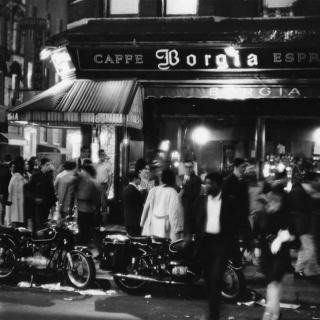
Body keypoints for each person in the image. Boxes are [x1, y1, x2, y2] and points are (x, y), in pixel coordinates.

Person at [185, 172, 251, 320]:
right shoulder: (201, 200)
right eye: (206, 183)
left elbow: (242, 221)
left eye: (210, 183)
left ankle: (214, 314)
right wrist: (188, 233)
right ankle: (214, 306)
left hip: (221, 245)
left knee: (216, 278)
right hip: (205, 244)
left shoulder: (229, 201)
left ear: (218, 185)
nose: (206, 186)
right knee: (208, 279)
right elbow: (189, 216)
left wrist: (248, 241)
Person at [253, 187, 295, 320]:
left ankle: (269, 313)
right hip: (266, 253)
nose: (271, 205)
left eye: (275, 202)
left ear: (279, 202)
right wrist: (257, 248)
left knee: (273, 283)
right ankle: (275, 313)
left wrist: (282, 238)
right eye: (270, 202)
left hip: (280, 254)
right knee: (273, 284)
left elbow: (294, 236)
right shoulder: (261, 215)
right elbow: (257, 233)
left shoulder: (285, 215)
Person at [222, 158, 252, 265]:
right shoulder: (228, 180)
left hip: (242, 216)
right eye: (243, 166)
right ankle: (235, 261)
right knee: (232, 241)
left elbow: (245, 199)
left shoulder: (243, 181)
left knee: (248, 238)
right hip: (232, 218)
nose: (244, 169)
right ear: (236, 167)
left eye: (245, 166)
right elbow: (225, 200)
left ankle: (240, 258)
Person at [140, 168, 183, 241]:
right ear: (173, 179)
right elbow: (174, 213)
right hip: (165, 229)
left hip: (152, 227)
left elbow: (146, 208)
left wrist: (142, 222)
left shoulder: (153, 190)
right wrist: (178, 230)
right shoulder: (172, 192)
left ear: (162, 179)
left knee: (153, 248)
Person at [75, 160, 101, 246]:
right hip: (91, 211)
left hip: (85, 211)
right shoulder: (94, 182)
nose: (81, 173)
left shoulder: (89, 182)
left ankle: (82, 251)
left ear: (86, 172)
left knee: (84, 233)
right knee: (91, 233)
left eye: (83, 171)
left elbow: (85, 196)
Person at [28, 158, 56, 232]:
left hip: (46, 206)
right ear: (42, 165)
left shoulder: (49, 176)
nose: (49, 166)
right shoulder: (35, 176)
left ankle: (43, 240)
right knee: (38, 226)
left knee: (44, 225)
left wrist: (53, 204)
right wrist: (35, 198)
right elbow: (29, 190)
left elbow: (51, 191)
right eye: (47, 165)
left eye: (50, 164)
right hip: (37, 206)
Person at [178, 159, 202, 233]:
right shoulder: (180, 178)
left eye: (190, 167)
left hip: (189, 209)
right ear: (184, 167)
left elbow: (195, 194)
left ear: (193, 167)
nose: (188, 169)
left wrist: (183, 189)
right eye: (186, 167)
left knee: (187, 230)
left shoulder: (197, 179)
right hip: (178, 208)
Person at [5, 156, 27, 226]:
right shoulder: (18, 178)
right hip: (19, 212)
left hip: (16, 213)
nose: (26, 165)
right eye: (25, 164)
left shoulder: (15, 178)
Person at [122, 171, 143, 236]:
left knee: (130, 237)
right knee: (135, 238)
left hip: (127, 218)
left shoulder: (125, 189)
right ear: (134, 179)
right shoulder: (135, 190)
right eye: (139, 178)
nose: (140, 180)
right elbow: (139, 204)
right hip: (135, 220)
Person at [95, 149, 113, 226]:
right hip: (96, 185)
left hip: (103, 185)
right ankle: (97, 223)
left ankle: (103, 224)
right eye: (100, 154)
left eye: (103, 154)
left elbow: (111, 178)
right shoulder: (95, 164)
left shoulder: (108, 164)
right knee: (96, 205)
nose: (102, 156)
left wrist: (108, 189)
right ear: (98, 155)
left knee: (104, 205)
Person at [0, 156, 12, 225]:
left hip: (3, 192)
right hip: (3, 191)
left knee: (2, 209)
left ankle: (2, 224)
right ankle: (2, 224)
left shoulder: (5, 168)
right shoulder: (5, 168)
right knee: (2, 209)